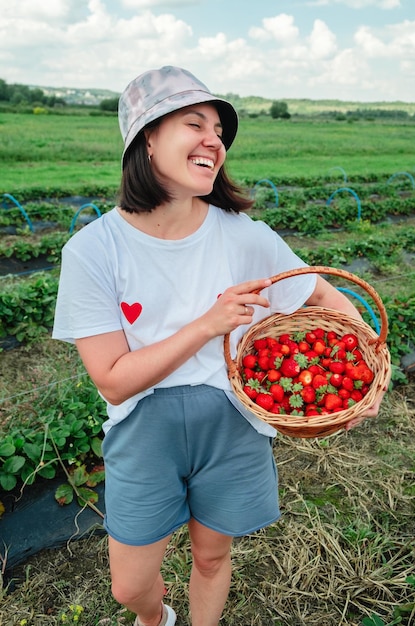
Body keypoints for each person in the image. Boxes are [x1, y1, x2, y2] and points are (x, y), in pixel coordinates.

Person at [52, 65, 386, 626]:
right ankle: (156, 616)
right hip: (143, 426)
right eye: (194, 123)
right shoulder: (94, 251)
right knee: (129, 585)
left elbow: (325, 295)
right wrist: (207, 325)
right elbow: (112, 378)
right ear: (147, 138)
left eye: (219, 131)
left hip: (231, 418)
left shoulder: (241, 234)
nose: (215, 140)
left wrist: (373, 366)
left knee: (212, 555)